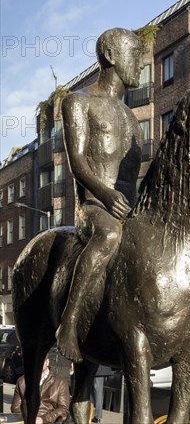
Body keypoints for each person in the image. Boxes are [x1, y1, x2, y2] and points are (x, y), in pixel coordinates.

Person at [56, 28, 144, 362]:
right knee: (109, 234)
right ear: (110, 54)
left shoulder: (133, 119)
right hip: (94, 207)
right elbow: (77, 161)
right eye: (134, 55)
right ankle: (69, 321)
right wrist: (106, 195)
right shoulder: (78, 102)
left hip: (128, 207)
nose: (138, 64)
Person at [11, 356, 70, 423]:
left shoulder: (60, 382)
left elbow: (63, 409)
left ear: (47, 362)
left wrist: (43, 419)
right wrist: (26, 419)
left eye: (40, 361)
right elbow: (15, 407)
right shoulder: (21, 381)